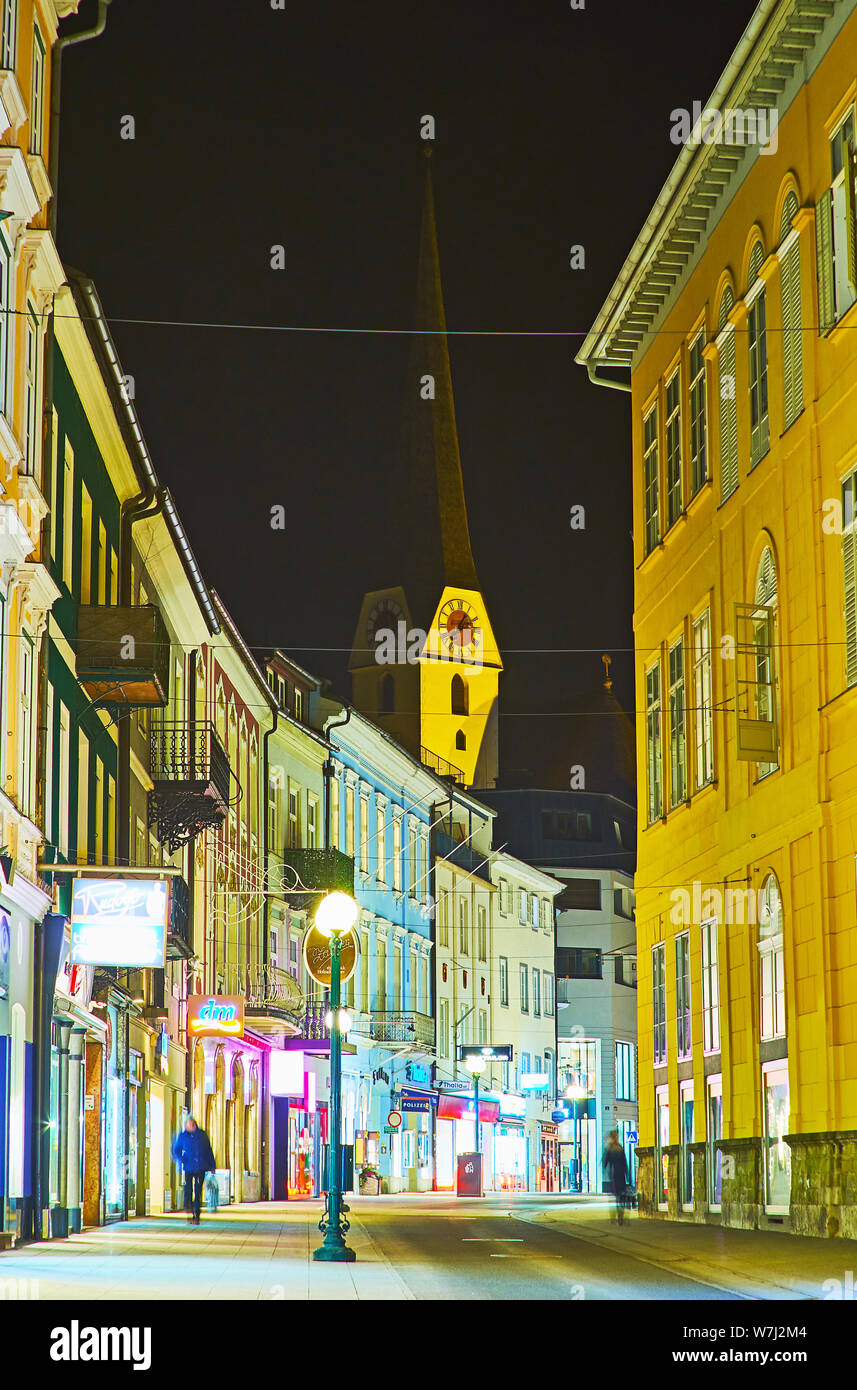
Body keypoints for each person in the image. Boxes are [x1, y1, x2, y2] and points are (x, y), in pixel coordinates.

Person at [171, 1116, 216, 1224]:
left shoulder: (202, 1135)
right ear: (186, 1125)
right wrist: (181, 1160)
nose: (192, 1126)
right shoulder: (183, 1136)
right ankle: (188, 1209)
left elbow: (208, 1150)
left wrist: (212, 1166)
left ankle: (197, 1214)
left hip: (201, 1167)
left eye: (193, 1123)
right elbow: (176, 1150)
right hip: (188, 1167)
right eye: (190, 1124)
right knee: (188, 1190)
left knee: (198, 1191)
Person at [602, 1131, 630, 1226]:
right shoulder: (620, 1147)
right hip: (620, 1175)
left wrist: (605, 1172)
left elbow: (605, 1162)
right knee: (621, 1197)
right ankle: (620, 1217)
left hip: (613, 1175)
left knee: (615, 1198)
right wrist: (627, 1175)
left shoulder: (609, 1148)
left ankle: (615, 1217)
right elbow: (624, 1162)